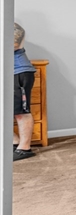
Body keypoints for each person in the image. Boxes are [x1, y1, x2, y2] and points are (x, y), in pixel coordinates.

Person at [13, 22, 36, 161]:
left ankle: (25, 148)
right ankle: (14, 141)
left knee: (21, 112)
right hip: (7, 73)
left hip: (20, 72)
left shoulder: (13, 27)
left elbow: (14, 44)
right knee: (6, 111)